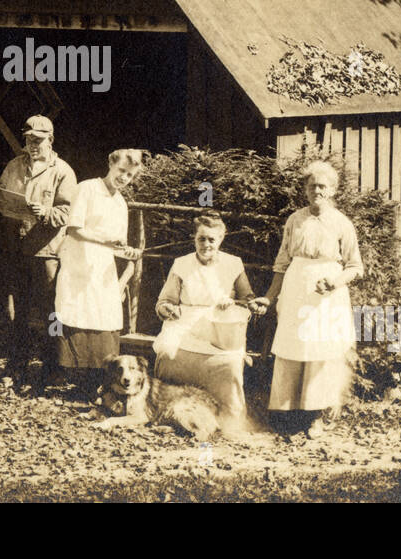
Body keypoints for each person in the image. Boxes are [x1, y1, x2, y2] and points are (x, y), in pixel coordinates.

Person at [251, 161, 363, 440]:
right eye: (311, 185)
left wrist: (334, 282)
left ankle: (314, 417)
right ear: (304, 189)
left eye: (322, 186)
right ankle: (287, 415)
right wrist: (269, 297)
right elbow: (281, 263)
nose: (317, 191)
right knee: (292, 349)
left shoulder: (342, 223)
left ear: (333, 190)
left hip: (327, 295)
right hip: (296, 290)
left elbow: (355, 266)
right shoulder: (295, 219)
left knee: (320, 353)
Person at [0, 115, 76, 397]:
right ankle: (16, 368)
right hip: (15, 248)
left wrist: (47, 213)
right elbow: (1, 193)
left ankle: (52, 370)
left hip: (45, 252)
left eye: (38, 140)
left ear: (50, 140)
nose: (32, 145)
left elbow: (67, 212)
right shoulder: (14, 165)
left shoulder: (62, 171)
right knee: (17, 313)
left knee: (51, 312)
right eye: (28, 139)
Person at [153, 212, 257, 428]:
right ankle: (168, 411)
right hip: (185, 323)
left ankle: (228, 420)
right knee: (168, 353)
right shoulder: (181, 264)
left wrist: (232, 302)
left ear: (221, 239)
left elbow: (248, 300)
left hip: (220, 326)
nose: (206, 244)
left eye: (212, 239)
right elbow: (164, 301)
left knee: (228, 362)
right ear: (194, 238)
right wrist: (169, 309)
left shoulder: (233, 263)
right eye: (201, 238)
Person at [54, 149, 144, 399]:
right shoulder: (87, 189)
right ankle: (72, 380)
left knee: (104, 319)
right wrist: (106, 241)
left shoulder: (121, 204)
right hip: (78, 264)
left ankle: (97, 383)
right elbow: (74, 229)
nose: (124, 178)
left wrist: (130, 253)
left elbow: (118, 246)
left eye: (129, 175)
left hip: (103, 270)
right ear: (110, 164)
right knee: (76, 314)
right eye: (121, 171)